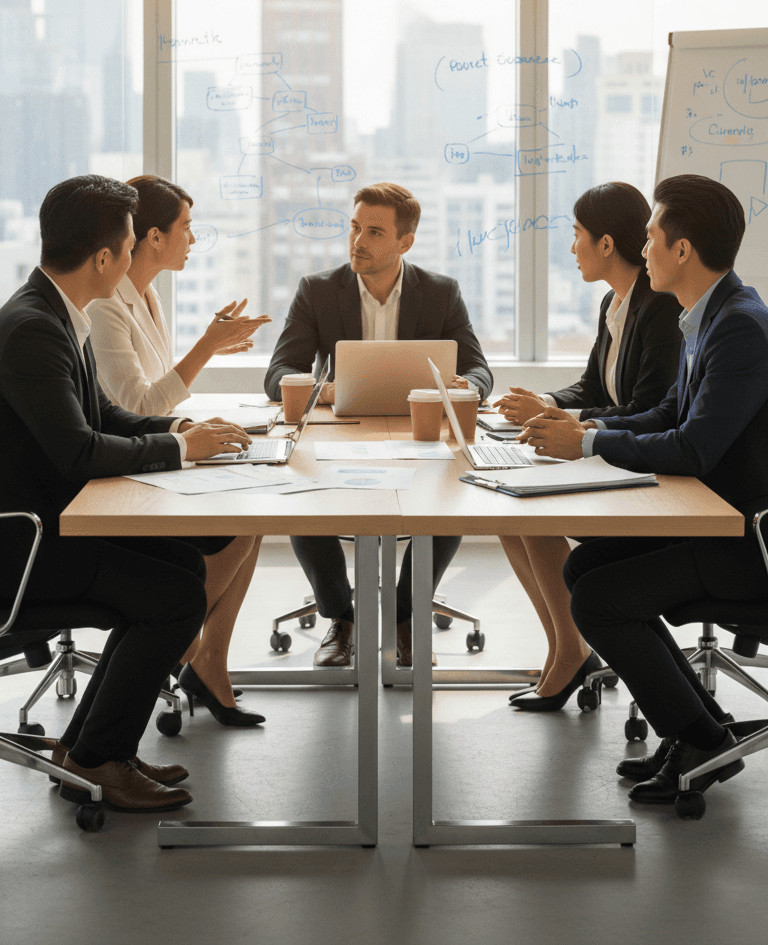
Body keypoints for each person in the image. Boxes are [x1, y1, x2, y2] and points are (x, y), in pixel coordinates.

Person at [0, 175, 255, 814]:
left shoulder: (54, 310)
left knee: (182, 564)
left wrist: (178, 430)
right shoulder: (34, 327)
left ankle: (87, 746)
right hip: (24, 547)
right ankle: (98, 760)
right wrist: (179, 451)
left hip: (54, 526)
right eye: (126, 244)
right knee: (172, 596)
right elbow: (79, 451)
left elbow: (104, 417)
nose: (135, 257)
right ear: (106, 257)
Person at [519, 174, 768, 807]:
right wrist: (587, 427)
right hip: (709, 519)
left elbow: (693, 447)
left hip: (745, 541)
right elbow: (667, 415)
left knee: (600, 598)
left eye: (652, 236)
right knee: (589, 565)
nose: (645, 245)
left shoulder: (740, 328)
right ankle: (697, 724)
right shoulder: (709, 316)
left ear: (681, 250)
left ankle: (699, 739)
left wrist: (585, 444)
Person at [265, 181, 493, 668]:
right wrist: (323, 389)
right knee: (300, 498)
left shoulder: (439, 293)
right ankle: (340, 617)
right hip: (340, 435)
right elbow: (278, 374)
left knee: (452, 496)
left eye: (373, 232)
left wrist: (460, 386)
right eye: (354, 228)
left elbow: (480, 372)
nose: (357, 242)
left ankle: (404, 617)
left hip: (419, 433)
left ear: (404, 242)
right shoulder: (319, 291)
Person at [88, 175, 271, 725]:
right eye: (185, 227)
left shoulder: (145, 294)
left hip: (149, 449)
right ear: (152, 238)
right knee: (241, 519)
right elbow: (133, 403)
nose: (193, 238)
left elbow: (147, 402)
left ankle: (208, 661)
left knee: (254, 508)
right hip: (121, 474)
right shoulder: (105, 308)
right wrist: (206, 350)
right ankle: (184, 647)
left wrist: (192, 423)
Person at [496, 183, 682, 711]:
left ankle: (569, 656)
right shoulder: (615, 301)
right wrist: (545, 401)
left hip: (647, 469)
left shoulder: (660, 307)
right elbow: (591, 388)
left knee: (531, 512)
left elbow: (652, 407)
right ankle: (566, 646)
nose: (570, 247)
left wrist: (566, 419)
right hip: (611, 454)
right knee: (509, 517)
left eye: (575, 235)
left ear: (605, 244)